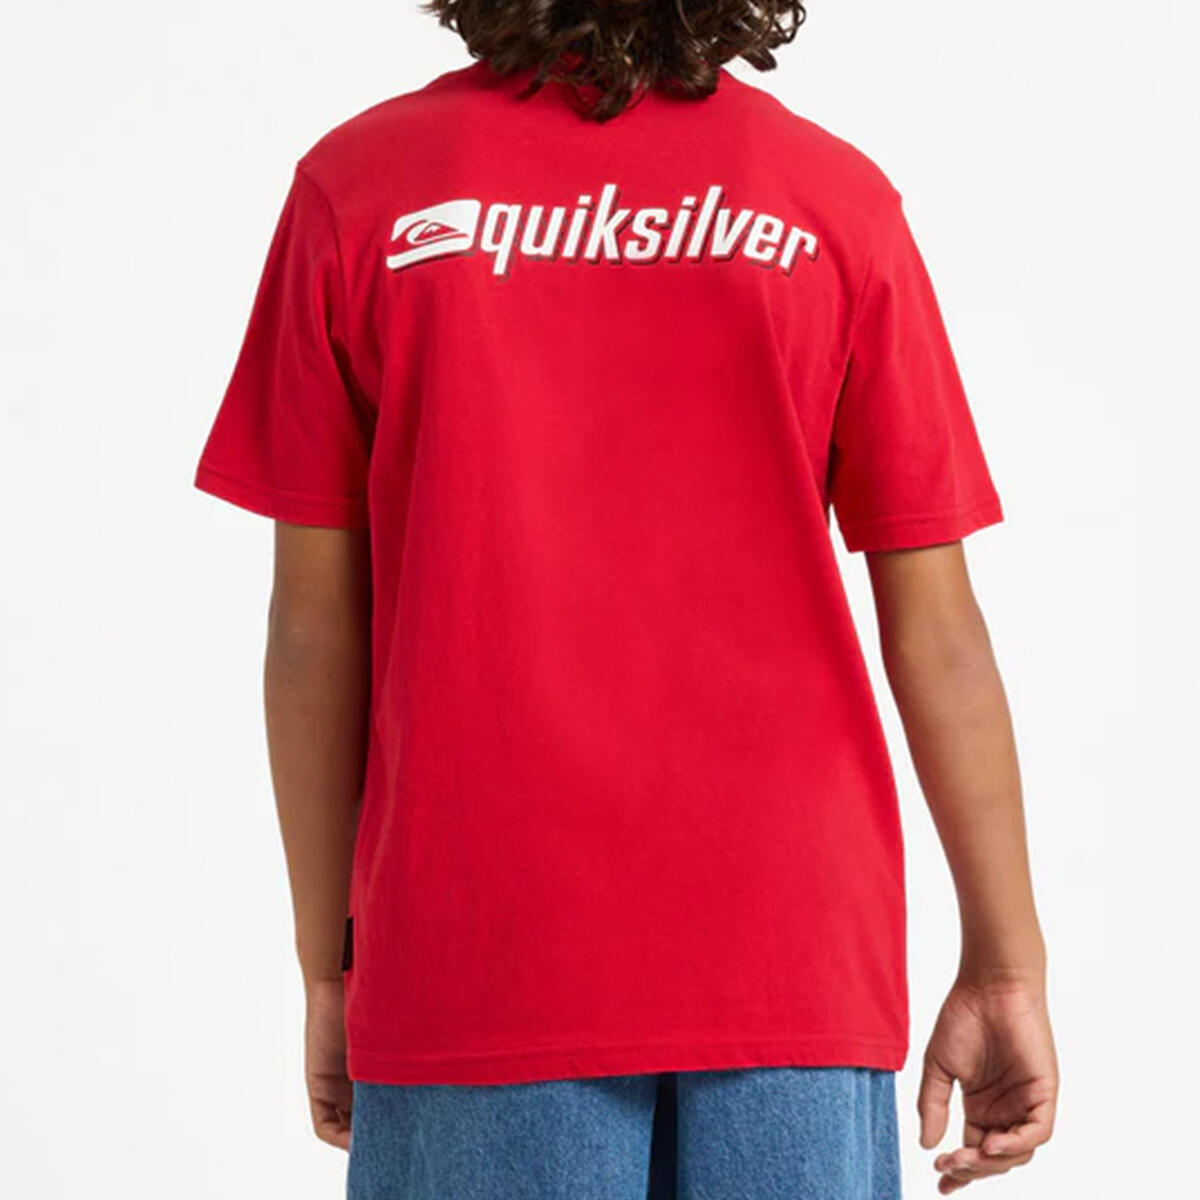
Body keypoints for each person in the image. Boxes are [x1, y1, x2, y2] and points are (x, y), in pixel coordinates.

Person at [194, 2, 1058, 1195]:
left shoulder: (365, 191)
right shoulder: (829, 201)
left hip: (478, 950)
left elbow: (310, 636)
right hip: (789, 958)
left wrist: (331, 964)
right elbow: (939, 630)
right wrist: (1007, 966)